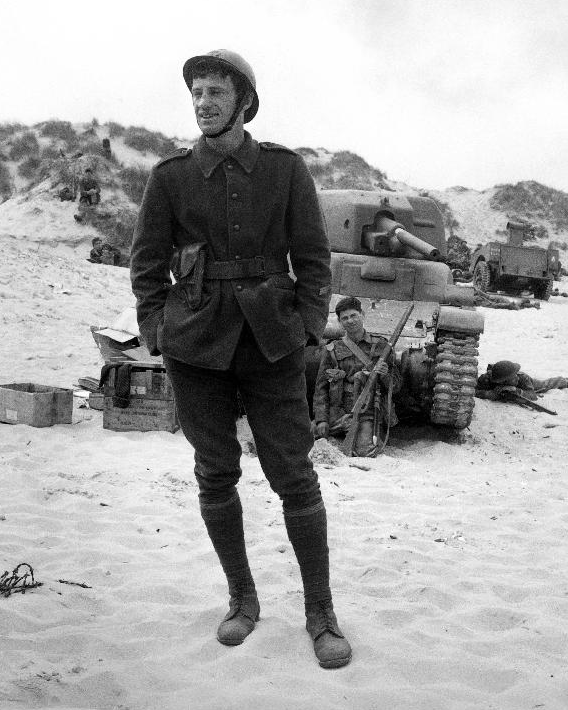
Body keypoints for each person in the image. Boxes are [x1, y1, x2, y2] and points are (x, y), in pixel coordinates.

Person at [130, 50, 350, 669]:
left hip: (272, 342)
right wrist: (157, 331)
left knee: (293, 474)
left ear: (244, 101)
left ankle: (320, 610)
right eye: (197, 92)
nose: (205, 102)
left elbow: (312, 259)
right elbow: (147, 264)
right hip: (195, 345)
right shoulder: (169, 177)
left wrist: (308, 327)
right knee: (215, 470)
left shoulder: (284, 170)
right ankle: (242, 597)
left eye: (216, 92)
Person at [312, 296, 401, 457]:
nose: (350, 321)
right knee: (301, 435)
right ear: (340, 322)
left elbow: (396, 386)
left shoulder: (382, 346)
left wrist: (385, 374)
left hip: (366, 411)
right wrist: (321, 419)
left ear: (362, 314)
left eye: (354, 315)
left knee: (364, 451)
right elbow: (321, 388)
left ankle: (357, 434)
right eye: (344, 318)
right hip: (337, 411)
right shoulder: (333, 348)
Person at [475, 360, 568, 401]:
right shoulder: (487, 379)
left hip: (526, 385)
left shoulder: (522, 378)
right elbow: (473, 391)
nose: (516, 378)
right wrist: (489, 394)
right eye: (512, 377)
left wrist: (516, 390)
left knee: (544, 385)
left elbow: (533, 396)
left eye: (516, 374)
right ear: (501, 381)